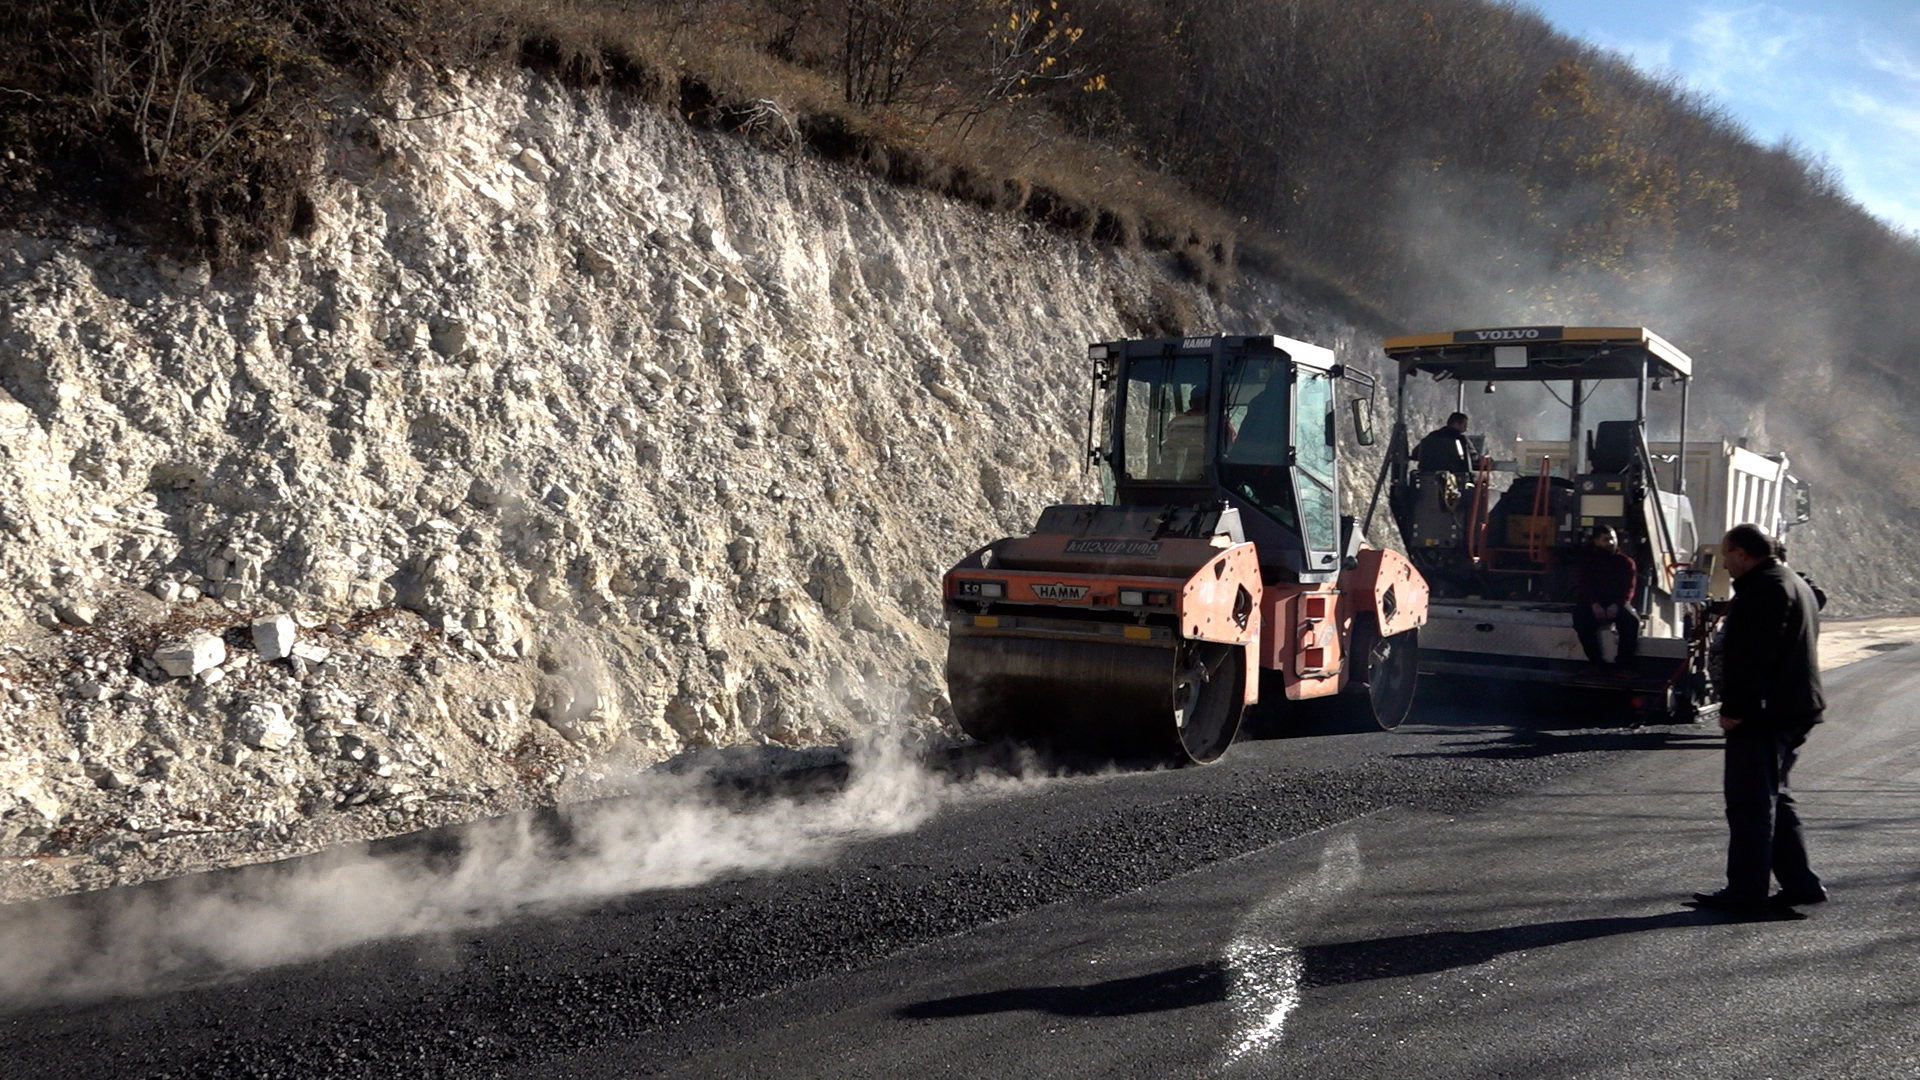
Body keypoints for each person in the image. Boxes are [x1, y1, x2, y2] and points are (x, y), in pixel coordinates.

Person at [1691, 523, 1827, 911]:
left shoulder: (1765, 588)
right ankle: (1800, 884)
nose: (1725, 565)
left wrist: (1735, 710)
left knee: (1750, 802)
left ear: (1743, 554)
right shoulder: (1792, 582)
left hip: (1767, 712)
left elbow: (1753, 657)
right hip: (1794, 707)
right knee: (1774, 797)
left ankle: (1747, 893)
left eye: (1727, 556)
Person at [1572, 525, 1639, 671]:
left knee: (1632, 622)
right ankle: (1596, 663)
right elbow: (1583, 585)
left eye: (1613, 539)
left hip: (1617, 603)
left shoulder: (1626, 562)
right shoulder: (1588, 562)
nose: (1610, 543)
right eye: (1606, 539)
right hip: (1594, 602)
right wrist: (1594, 604)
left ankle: (1622, 665)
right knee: (1580, 619)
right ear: (1597, 541)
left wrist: (1617, 605)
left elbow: (1629, 588)